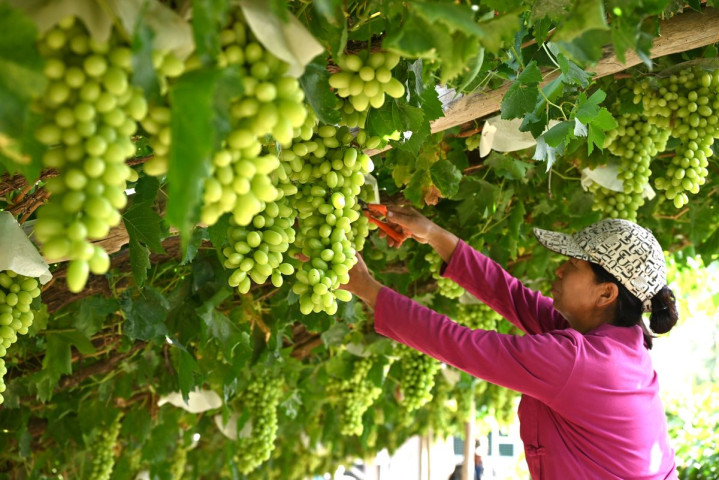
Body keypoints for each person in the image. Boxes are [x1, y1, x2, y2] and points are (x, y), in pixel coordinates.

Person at [341, 206, 680, 479]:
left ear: (606, 293)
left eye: (572, 264)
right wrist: (433, 234)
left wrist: (366, 287)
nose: (559, 271)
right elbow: (511, 295)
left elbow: (459, 344)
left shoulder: (580, 362)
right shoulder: (614, 344)